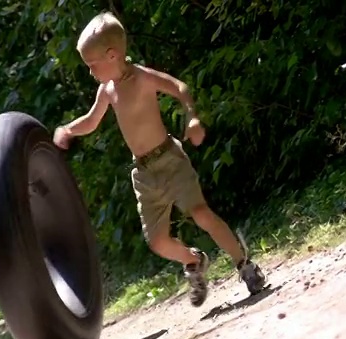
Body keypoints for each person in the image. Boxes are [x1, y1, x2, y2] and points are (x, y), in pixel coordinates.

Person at [53, 11, 266, 307]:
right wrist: (67, 130)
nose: (90, 72)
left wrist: (192, 119)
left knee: (202, 213)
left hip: (170, 160)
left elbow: (180, 88)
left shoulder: (142, 78)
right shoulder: (107, 90)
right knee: (157, 242)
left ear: (112, 55)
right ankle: (194, 261)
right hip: (144, 174)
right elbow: (91, 121)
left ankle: (245, 265)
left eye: (92, 65)